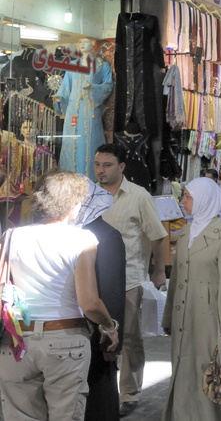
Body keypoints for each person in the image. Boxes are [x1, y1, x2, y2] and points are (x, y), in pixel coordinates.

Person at [0, 169, 120, 420]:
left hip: (17, 342)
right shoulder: (83, 239)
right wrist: (109, 326)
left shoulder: (11, 236)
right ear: (73, 203)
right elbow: (89, 302)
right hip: (65, 341)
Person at [162, 177, 221, 420]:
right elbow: (177, 278)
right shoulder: (186, 230)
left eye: (188, 197)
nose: (183, 201)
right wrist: (169, 316)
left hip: (209, 319)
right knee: (183, 368)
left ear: (204, 201)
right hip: (183, 316)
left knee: (209, 371)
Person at [94, 143, 168, 418]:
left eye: (107, 165)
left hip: (129, 278)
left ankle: (130, 393)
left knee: (129, 338)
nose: (100, 170)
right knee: (99, 336)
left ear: (121, 167)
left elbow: (158, 236)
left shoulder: (139, 197)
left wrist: (158, 271)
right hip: (95, 279)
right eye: (97, 165)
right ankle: (101, 389)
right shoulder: (89, 195)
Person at [73, 179, 127, 421]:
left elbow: (111, 290)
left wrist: (111, 339)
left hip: (97, 331)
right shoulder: (83, 233)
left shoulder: (106, 236)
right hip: (91, 328)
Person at [54, 37, 114, 179]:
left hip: (90, 108)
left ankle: (91, 176)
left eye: (85, 42)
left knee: (89, 140)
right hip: (73, 108)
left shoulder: (101, 65)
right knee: (72, 141)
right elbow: (66, 86)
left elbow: (108, 85)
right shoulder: (72, 65)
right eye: (80, 42)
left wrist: (93, 88)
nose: (82, 44)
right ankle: (69, 176)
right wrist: (59, 97)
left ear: (92, 47)